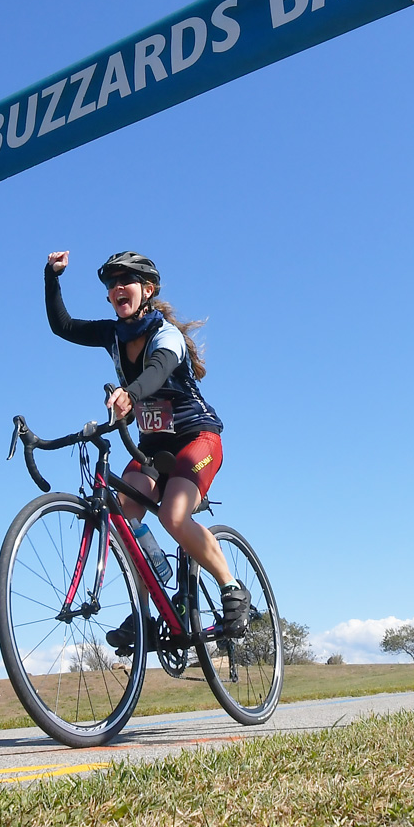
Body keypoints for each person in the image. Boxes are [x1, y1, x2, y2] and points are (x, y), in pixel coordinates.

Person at [44, 249, 249, 650]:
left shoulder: (166, 335)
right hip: (152, 450)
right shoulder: (112, 334)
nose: (118, 287)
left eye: (127, 280)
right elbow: (63, 326)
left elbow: (156, 371)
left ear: (147, 290)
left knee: (174, 516)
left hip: (197, 439)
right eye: (111, 283)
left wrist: (130, 394)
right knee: (121, 513)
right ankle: (145, 608)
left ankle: (232, 588)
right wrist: (51, 277)